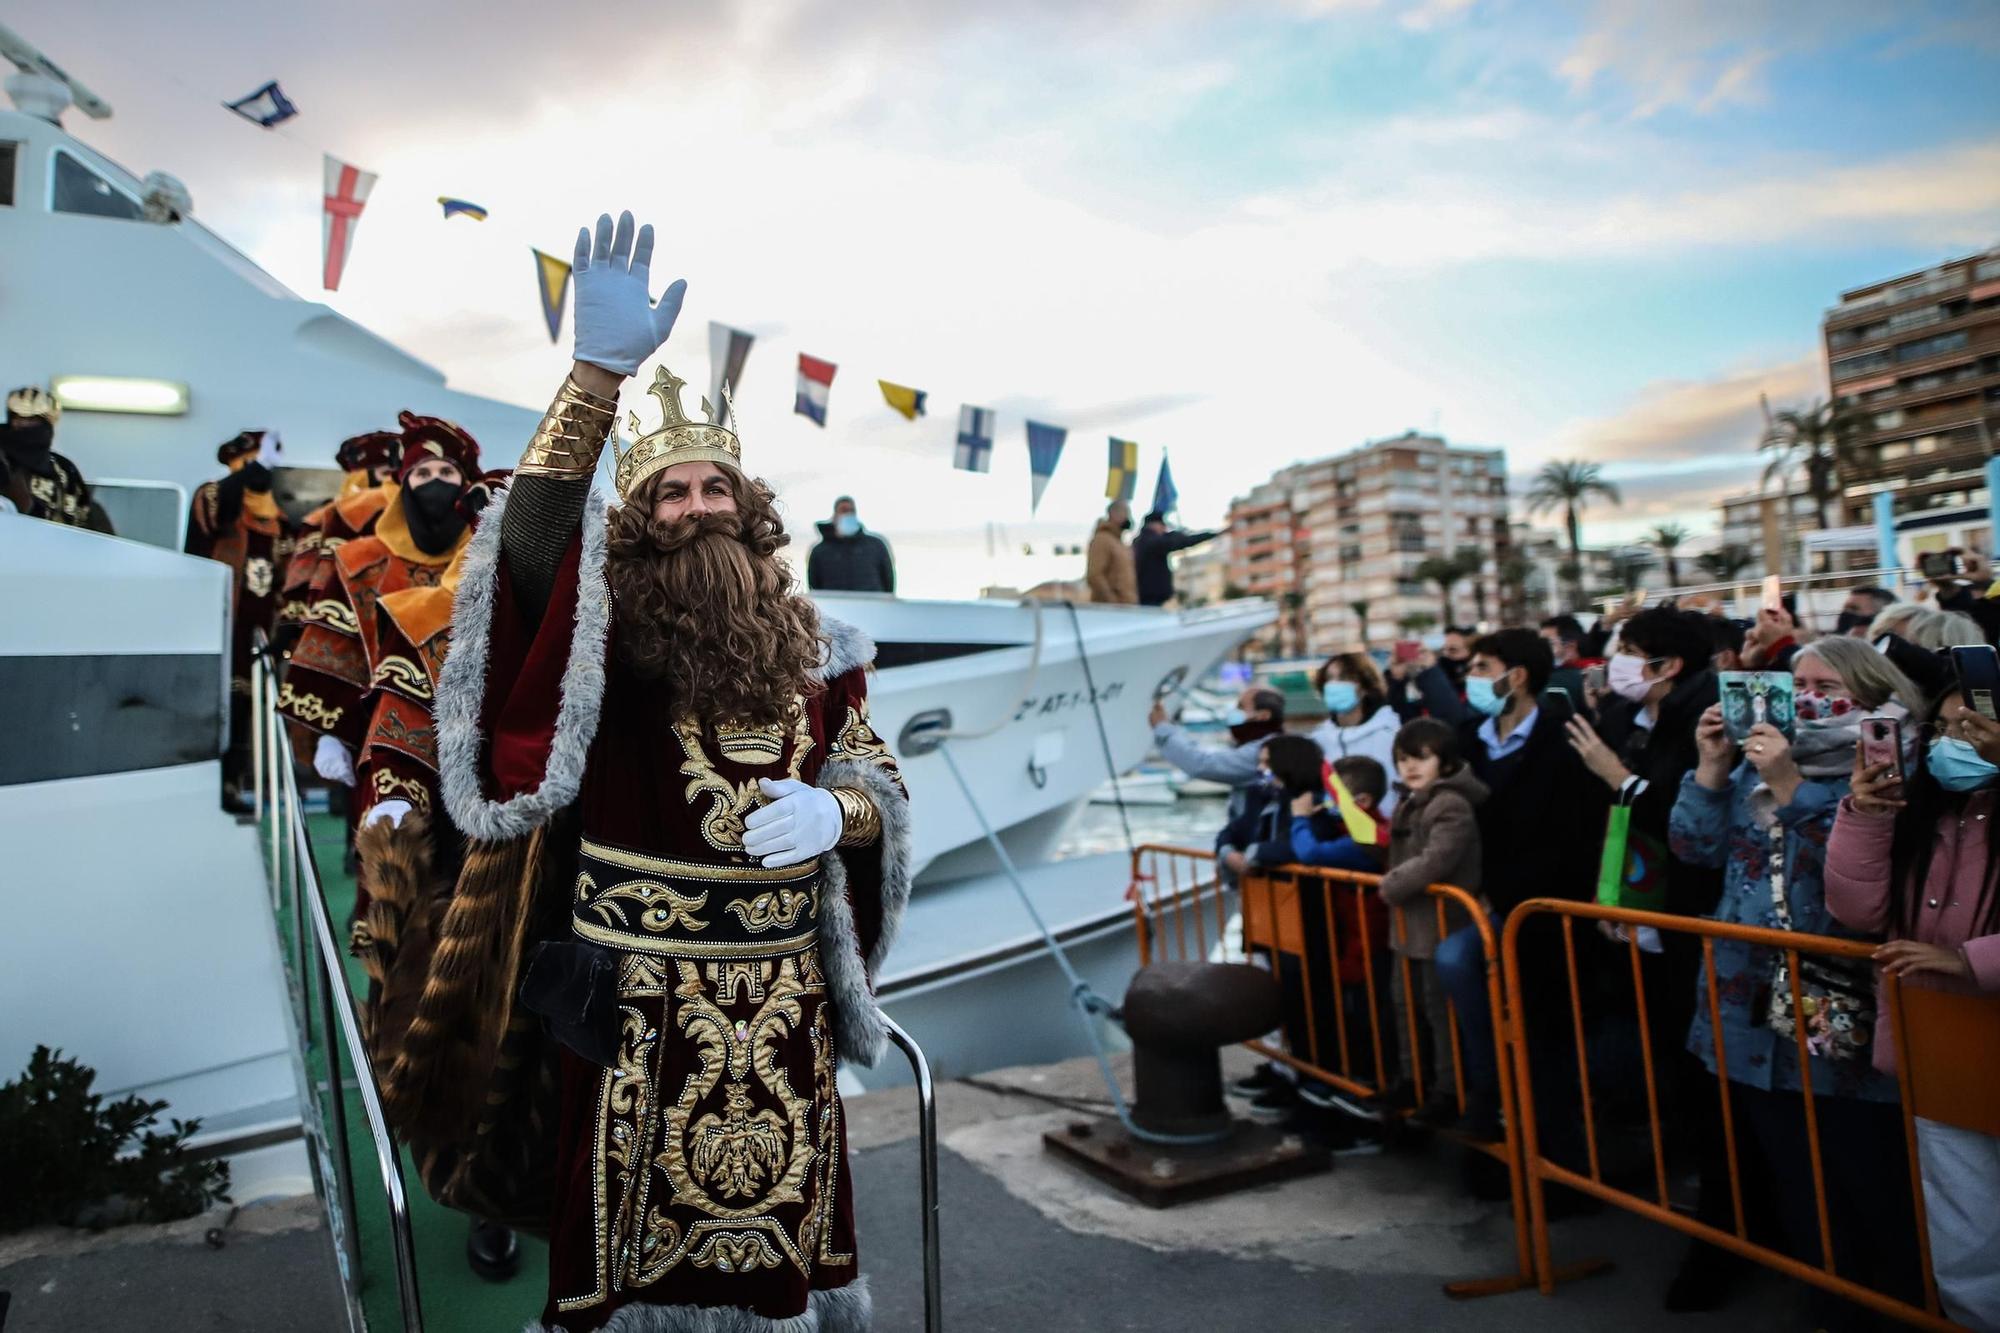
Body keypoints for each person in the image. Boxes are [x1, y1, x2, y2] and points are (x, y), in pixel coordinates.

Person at [389, 211, 906, 1333]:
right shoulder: (605, 636)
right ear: (642, 516)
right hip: (636, 1004)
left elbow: (880, 788)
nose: (694, 510)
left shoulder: (817, 653)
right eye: (669, 495)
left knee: (782, 1266)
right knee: (627, 1263)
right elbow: (525, 563)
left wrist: (840, 810)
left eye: (713, 490)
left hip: (783, 1003)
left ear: (748, 505)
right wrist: (592, 383)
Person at [1668, 635, 1926, 1323]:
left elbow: (1852, 878)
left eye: (1826, 687)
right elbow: (1694, 847)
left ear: (1870, 696)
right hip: (1742, 989)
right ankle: (1828, 1298)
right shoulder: (1761, 755)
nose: (1807, 700)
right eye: (1798, 684)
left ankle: (1893, 1301)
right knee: (1792, 1165)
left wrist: (1788, 785)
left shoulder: (1887, 763)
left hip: (1827, 982)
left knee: (1858, 1161)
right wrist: (1711, 767)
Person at [1827, 694, 2000, 1332]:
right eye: (1945, 726)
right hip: (1940, 1049)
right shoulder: (1924, 810)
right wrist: (1865, 816)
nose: (1957, 740)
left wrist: (1972, 960)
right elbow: (1857, 911)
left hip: (1976, 1030)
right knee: (1967, 1235)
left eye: (1974, 725)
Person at [1416, 629, 1606, 1141]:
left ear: (1516, 676)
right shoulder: (1474, 740)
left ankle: (1549, 1136)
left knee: (1542, 1030)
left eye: (1480, 668)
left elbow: (1577, 833)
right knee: (1459, 964)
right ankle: (1491, 1091)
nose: (1471, 679)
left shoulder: (1565, 736)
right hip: (1489, 901)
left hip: (1543, 908)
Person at [278, 412, 483, 802]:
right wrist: (330, 735)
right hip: (383, 740)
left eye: (446, 472)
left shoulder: (484, 556)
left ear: (465, 484)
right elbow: (338, 644)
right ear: (403, 485)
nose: (435, 482)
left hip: (477, 739)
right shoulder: (362, 560)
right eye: (422, 475)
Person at [1375, 718, 1485, 1118]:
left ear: (1444, 759)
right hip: (1411, 925)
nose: (1410, 767)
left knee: (1439, 1012)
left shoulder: (1450, 804)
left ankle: (1447, 1089)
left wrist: (1393, 884)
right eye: (1403, 759)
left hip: (1442, 924)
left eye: (1421, 757)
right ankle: (1412, 1079)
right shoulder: (1411, 801)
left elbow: (1437, 859)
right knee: (1405, 1005)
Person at [185, 430, 290, 811]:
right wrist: (248, 474)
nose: (259, 474)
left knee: (247, 707)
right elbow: (212, 516)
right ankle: (202, 782)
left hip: (259, 632)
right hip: (217, 627)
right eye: (249, 465)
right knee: (216, 702)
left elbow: (287, 576)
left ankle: (234, 782)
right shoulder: (214, 498)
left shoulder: (278, 519)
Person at [278, 430, 403, 648]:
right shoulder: (325, 517)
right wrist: (290, 626)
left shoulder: (409, 517)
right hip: (337, 625)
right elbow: (303, 578)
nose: (390, 484)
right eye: (385, 474)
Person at [1149, 685, 1286, 820]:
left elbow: (1202, 764)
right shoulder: (1262, 744)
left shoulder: (1264, 751)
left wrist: (1163, 729)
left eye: (1241, 707)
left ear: (1263, 715)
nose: (1234, 712)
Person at [1, 386, 113, 532]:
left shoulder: (63, 469)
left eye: (32, 420)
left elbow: (84, 520)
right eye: (17, 418)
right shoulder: (3, 461)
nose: (22, 424)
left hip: (56, 549)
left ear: (47, 424)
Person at [1310, 651, 1401, 813]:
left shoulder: (1389, 734)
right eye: (1330, 678)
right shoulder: (1318, 739)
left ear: (1365, 688)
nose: (1334, 685)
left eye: (1344, 679)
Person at [1130, 509, 1221, 607]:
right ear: (1154, 525)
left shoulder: (1143, 541)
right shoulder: (1150, 542)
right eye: (1162, 526)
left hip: (1150, 596)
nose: (1164, 529)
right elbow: (1179, 542)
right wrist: (1178, 535)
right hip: (1151, 597)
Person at [805, 496, 895, 594]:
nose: (848, 514)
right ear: (834, 516)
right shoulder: (819, 551)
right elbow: (814, 587)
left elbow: (888, 582)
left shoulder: (876, 545)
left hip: (872, 606)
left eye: (851, 511)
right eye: (843, 510)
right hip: (833, 607)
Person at [1085, 498, 1138, 605]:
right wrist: (1112, 601)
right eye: (1126, 513)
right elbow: (1095, 575)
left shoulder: (1118, 542)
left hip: (1125, 607)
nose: (1128, 518)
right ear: (1113, 514)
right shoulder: (1102, 540)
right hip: (1112, 610)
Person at [1539, 615, 1592, 703]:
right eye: (1539, 643)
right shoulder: (1544, 674)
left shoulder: (1590, 675)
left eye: (1547, 643)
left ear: (1570, 646)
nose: (1540, 649)